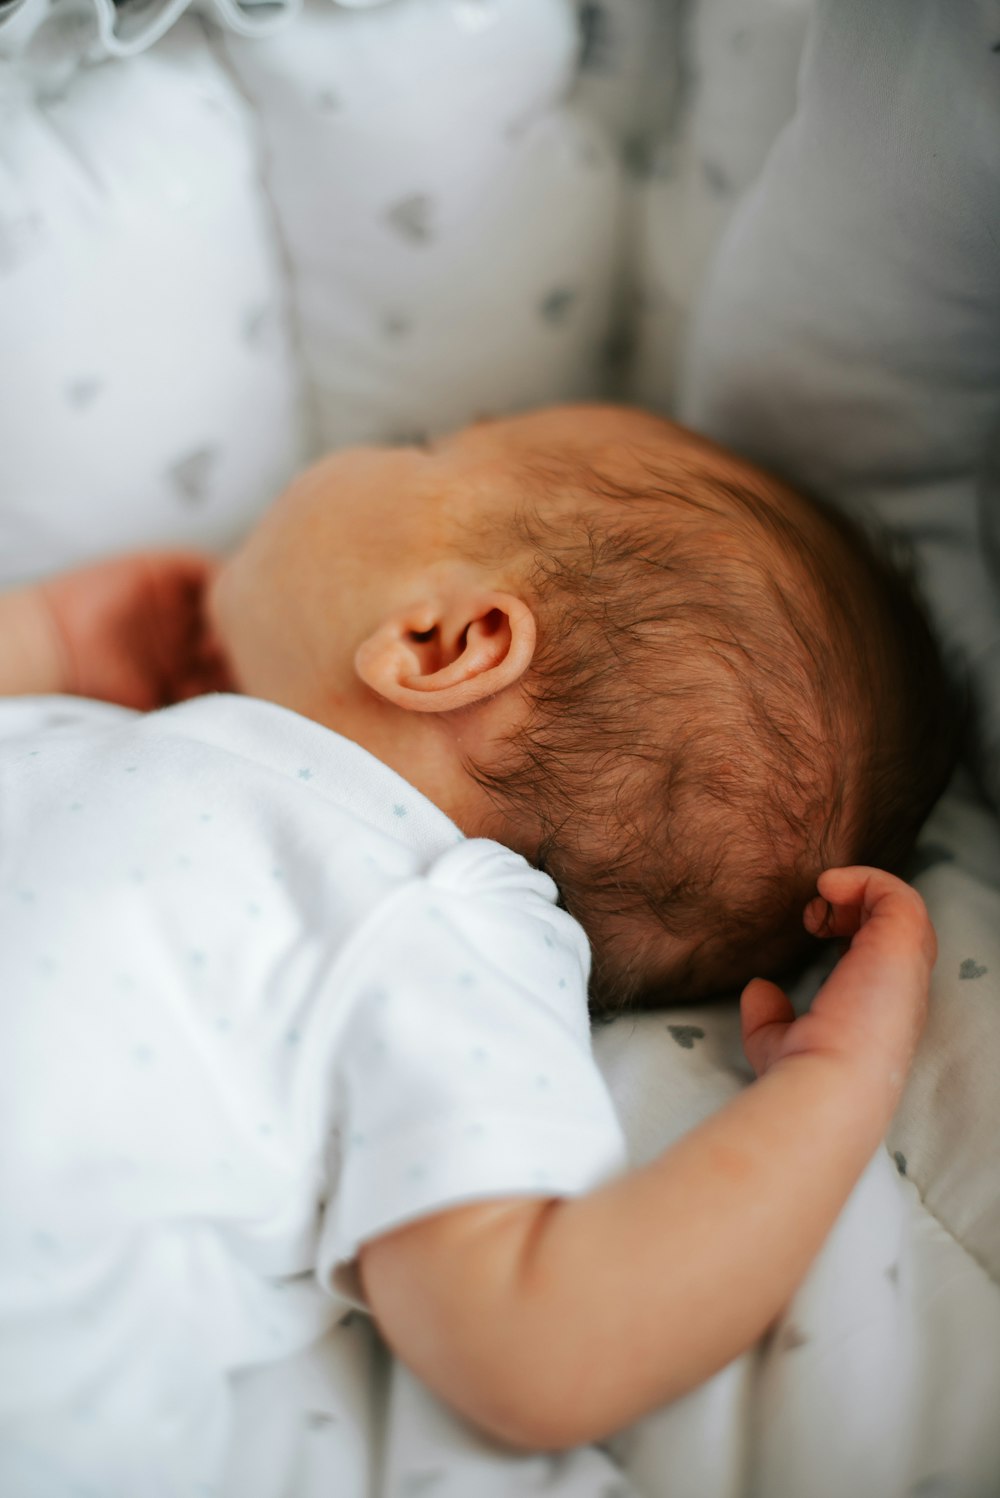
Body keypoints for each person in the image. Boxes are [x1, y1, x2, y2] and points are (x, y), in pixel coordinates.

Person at [0, 404, 954, 1488]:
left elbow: (548, 1345)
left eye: (422, 448)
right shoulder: (146, 743)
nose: (372, 438)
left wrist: (835, 1084)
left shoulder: (439, 915)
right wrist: (48, 644)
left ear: (445, 642)